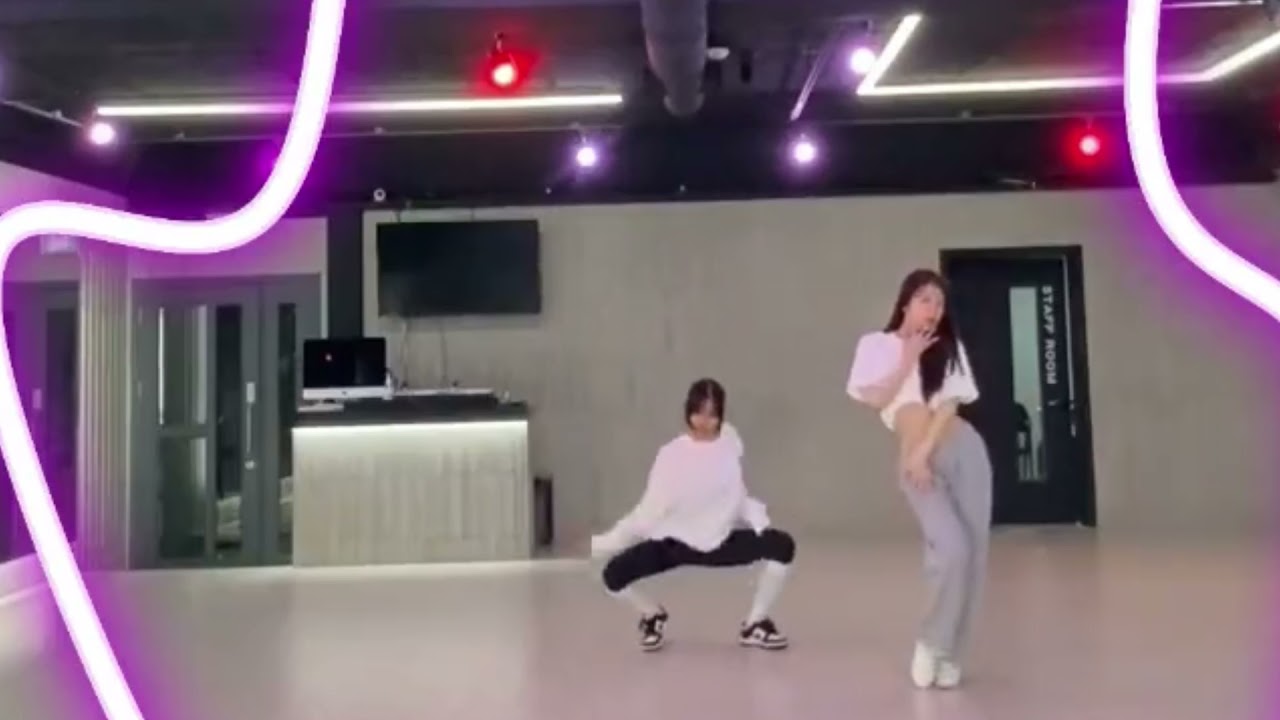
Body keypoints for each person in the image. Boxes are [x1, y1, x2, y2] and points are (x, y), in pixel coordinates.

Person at [845, 268, 991, 690]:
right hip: (913, 452)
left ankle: (952, 654)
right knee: (950, 549)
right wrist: (907, 359)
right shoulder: (875, 345)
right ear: (906, 302)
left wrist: (924, 451)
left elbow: (949, 406)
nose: (934, 309)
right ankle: (930, 642)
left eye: (940, 303)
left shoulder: (949, 347)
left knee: (974, 554)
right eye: (926, 299)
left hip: (961, 449)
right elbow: (876, 398)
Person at [591, 378, 796, 652]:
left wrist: (759, 523)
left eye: (712, 415)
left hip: (719, 542)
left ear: (720, 416)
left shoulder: (729, 444)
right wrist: (606, 542)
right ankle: (652, 615)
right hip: (673, 545)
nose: (704, 422)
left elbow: (736, 495)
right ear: (688, 412)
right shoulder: (671, 454)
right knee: (612, 576)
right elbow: (648, 510)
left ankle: (755, 624)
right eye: (698, 412)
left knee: (782, 546)